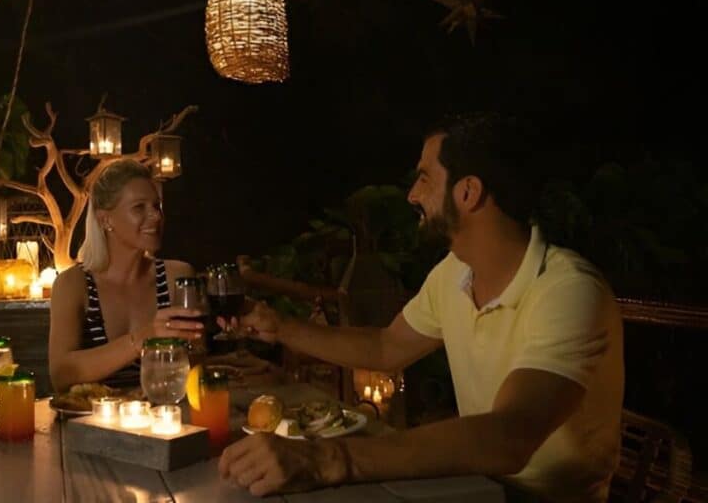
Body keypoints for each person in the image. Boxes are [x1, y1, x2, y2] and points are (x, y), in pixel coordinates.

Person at [218, 112, 624, 503]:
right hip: (475, 486)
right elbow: (385, 347)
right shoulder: (454, 273)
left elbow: (509, 436)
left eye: (425, 178)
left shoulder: (566, 290)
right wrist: (279, 326)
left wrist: (327, 459)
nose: (412, 194)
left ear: (468, 192)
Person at [48, 159, 204, 391]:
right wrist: (143, 338)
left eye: (157, 206)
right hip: (94, 423)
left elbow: (196, 361)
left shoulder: (176, 275)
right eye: (139, 207)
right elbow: (61, 373)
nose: (156, 216)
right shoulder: (73, 284)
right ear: (105, 219)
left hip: (164, 417)